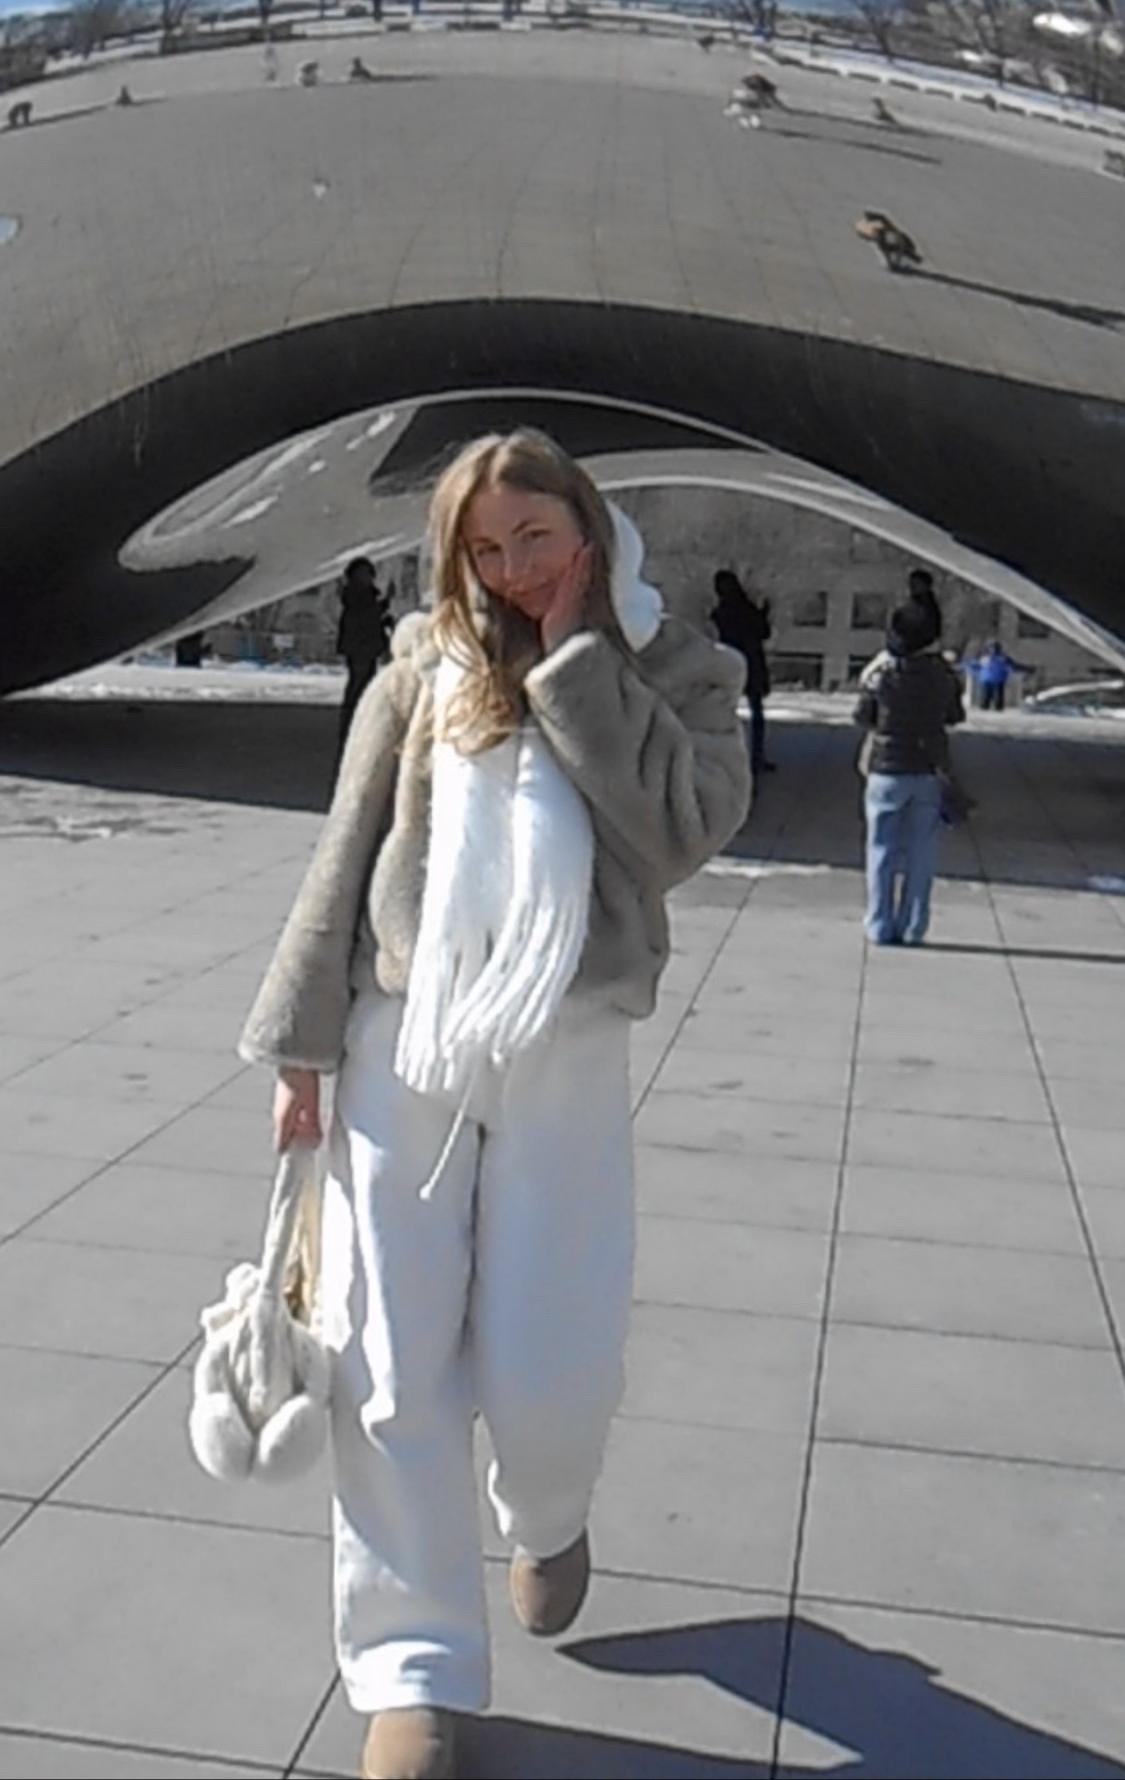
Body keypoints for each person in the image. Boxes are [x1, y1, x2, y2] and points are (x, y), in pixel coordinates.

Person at [238, 429, 750, 1780]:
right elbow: (343, 857)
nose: (513, 570)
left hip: (567, 1044)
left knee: (551, 1356)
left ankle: (548, 1509)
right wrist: (301, 1046)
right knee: (389, 1361)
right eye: (487, 547)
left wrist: (581, 660)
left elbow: (682, 831)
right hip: (406, 1040)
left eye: (537, 539)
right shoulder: (419, 672)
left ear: (588, 531)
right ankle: (408, 1668)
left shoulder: (675, 667)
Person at [853, 600, 964, 947]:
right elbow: (954, 716)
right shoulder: (944, 676)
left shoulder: (882, 674)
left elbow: (862, 716)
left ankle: (879, 924)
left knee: (881, 848)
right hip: (928, 768)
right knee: (922, 852)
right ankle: (914, 926)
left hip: (886, 768)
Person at [708, 569, 774, 776]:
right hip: (752, 662)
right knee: (756, 712)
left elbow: (716, 638)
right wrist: (764, 614)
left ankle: (724, 755)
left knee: (724, 710)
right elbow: (764, 632)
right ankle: (757, 756)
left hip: (729, 664)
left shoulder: (719, 613)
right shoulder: (748, 609)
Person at [336, 559, 394, 750]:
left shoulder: (360, 597)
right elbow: (366, 618)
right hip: (361, 647)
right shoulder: (357, 596)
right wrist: (384, 607)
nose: (368, 578)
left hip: (364, 647)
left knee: (363, 683)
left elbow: (370, 617)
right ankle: (353, 721)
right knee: (359, 684)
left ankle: (355, 721)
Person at [964, 638, 1029, 712]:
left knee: (988, 696)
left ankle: (987, 707)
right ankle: (995, 707)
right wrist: (1025, 669)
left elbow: (975, 666)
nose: (993, 650)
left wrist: (969, 668)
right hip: (997, 679)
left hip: (988, 679)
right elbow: (1013, 666)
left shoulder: (984, 658)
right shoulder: (1002, 658)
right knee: (995, 696)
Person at [907, 567, 942, 644]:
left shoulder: (927, 607)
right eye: (911, 584)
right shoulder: (917, 602)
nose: (912, 587)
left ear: (926, 586)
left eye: (916, 584)